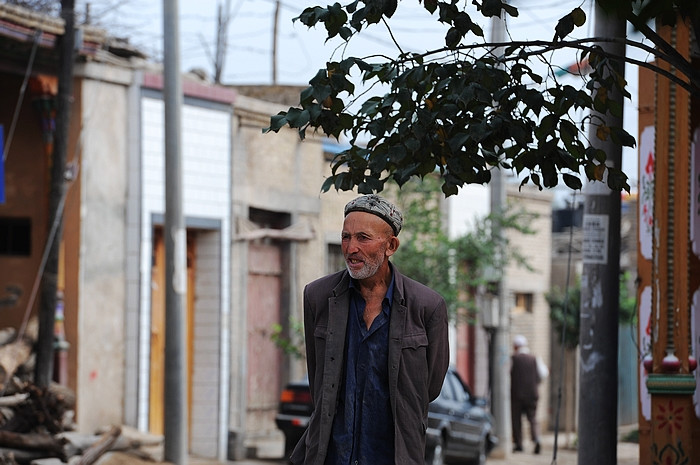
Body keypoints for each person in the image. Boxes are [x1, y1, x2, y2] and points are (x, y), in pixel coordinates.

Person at [290, 194, 450, 465]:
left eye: (363, 238)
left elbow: (428, 388)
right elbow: (318, 380)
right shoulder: (317, 297)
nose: (351, 248)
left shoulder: (427, 306)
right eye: (345, 237)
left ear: (391, 245)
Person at [510, 334, 548, 454]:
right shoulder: (535, 358)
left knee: (516, 420)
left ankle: (519, 444)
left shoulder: (513, 359)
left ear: (516, 346)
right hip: (532, 394)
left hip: (517, 395)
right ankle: (536, 439)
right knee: (532, 419)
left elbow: (506, 373)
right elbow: (544, 374)